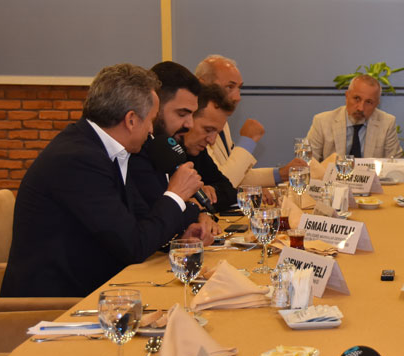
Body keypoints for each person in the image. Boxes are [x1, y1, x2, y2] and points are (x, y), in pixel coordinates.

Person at [0, 63, 211, 298]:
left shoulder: (104, 149)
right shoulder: (78, 160)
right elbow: (133, 246)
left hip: (96, 287)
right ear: (131, 120)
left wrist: (175, 238)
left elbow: (138, 224)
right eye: (150, 120)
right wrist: (176, 194)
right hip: (55, 304)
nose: (152, 130)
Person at [129, 61, 218, 236]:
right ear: (155, 106)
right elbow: (154, 217)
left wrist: (197, 212)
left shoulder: (166, 145)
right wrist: (192, 208)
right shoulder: (135, 151)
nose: (190, 124)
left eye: (192, 115)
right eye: (182, 114)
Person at [195, 55, 304, 187]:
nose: (237, 97)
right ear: (202, 84)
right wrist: (247, 141)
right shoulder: (194, 123)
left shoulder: (222, 122)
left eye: (239, 88)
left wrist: (281, 174)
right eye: (229, 87)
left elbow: (237, 176)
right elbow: (223, 182)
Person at [306, 74, 404, 161]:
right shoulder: (322, 121)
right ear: (347, 96)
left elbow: (395, 164)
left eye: (369, 102)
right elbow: (308, 162)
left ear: (376, 104)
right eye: (357, 98)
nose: (361, 108)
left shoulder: (387, 123)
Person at [180, 84, 239, 212]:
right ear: (188, 119)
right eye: (208, 130)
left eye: (217, 133)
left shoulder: (198, 151)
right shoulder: (163, 152)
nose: (212, 141)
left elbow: (229, 190)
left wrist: (211, 190)